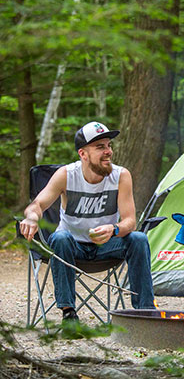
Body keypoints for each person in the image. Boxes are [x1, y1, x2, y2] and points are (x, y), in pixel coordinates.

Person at [20, 121, 155, 321]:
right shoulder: (66, 175)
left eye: (109, 145)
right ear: (83, 154)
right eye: (100, 147)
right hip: (71, 248)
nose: (108, 151)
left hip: (107, 246)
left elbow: (130, 222)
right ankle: (69, 314)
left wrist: (114, 229)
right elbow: (36, 205)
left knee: (138, 238)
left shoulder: (121, 176)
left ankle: (145, 314)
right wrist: (31, 219)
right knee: (60, 237)